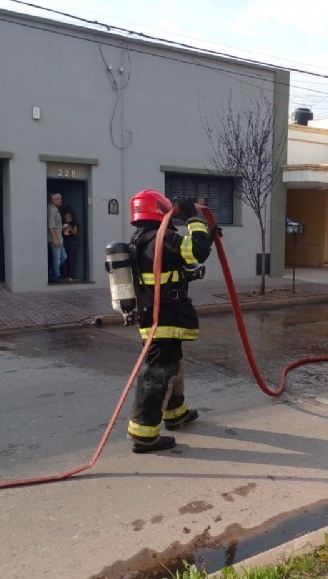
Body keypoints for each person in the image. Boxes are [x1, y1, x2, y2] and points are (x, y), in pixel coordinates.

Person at [126, 189, 212, 453]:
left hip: (157, 316)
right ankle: (143, 434)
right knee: (156, 372)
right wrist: (194, 218)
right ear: (161, 211)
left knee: (172, 363)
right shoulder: (162, 238)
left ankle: (175, 414)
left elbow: (176, 267)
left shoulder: (139, 240)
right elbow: (198, 251)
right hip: (164, 317)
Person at [47, 193, 67, 282]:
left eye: (61, 198)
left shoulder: (56, 210)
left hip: (59, 238)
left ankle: (51, 272)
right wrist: (55, 239)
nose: (60, 200)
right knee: (57, 258)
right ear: (52, 200)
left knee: (64, 257)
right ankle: (56, 276)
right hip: (55, 239)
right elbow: (51, 226)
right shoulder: (52, 210)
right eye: (58, 199)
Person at [61, 207, 79, 282]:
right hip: (64, 241)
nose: (67, 217)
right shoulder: (62, 222)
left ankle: (71, 276)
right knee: (64, 259)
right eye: (66, 216)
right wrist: (64, 228)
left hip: (72, 241)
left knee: (72, 259)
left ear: (71, 216)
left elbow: (75, 233)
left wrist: (70, 228)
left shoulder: (74, 222)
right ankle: (65, 275)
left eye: (68, 216)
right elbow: (63, 233)